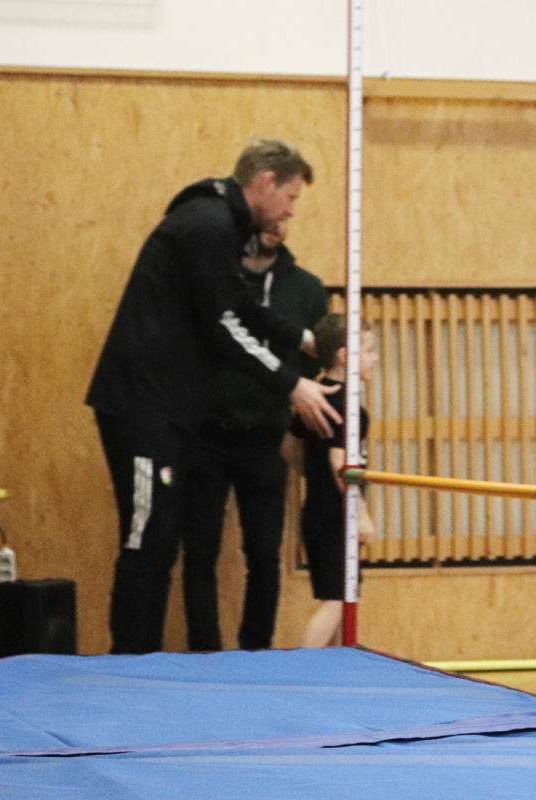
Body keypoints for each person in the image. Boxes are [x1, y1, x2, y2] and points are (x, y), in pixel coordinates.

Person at [87, 138, 342, 655]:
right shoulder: (209, 224)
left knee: (161, 540)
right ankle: (128, 663)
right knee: (146, 539)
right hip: (141, 403)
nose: (291, 211)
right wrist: (291, 383)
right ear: (265, 183)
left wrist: (302, 339)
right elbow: (223, 326)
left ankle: (144, 659)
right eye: (291, 197)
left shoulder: (220, 225)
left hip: (166, 409)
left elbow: (238, 303)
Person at [180, 219, 328, 652]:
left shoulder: (305, 289)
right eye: (271, 218)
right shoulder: (219, 280)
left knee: (264, 554)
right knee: (199, 552)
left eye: (288, 217)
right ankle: (204, 653)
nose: (278, 226)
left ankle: (256, 652)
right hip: (205, 433)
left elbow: (310, 368)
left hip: (266, 438)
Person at [284, 313, 377, 648]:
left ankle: (335, 664)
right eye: (369, 350)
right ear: (345, 356)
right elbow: (339, 462)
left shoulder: (315, 399)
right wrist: (361, 515)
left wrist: (314, 475)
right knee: (337, 602)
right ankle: (303, 665)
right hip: (336, 517)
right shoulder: (350, 408)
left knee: (344, 598)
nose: (375, 358)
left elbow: (288, 447)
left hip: (318, 512)